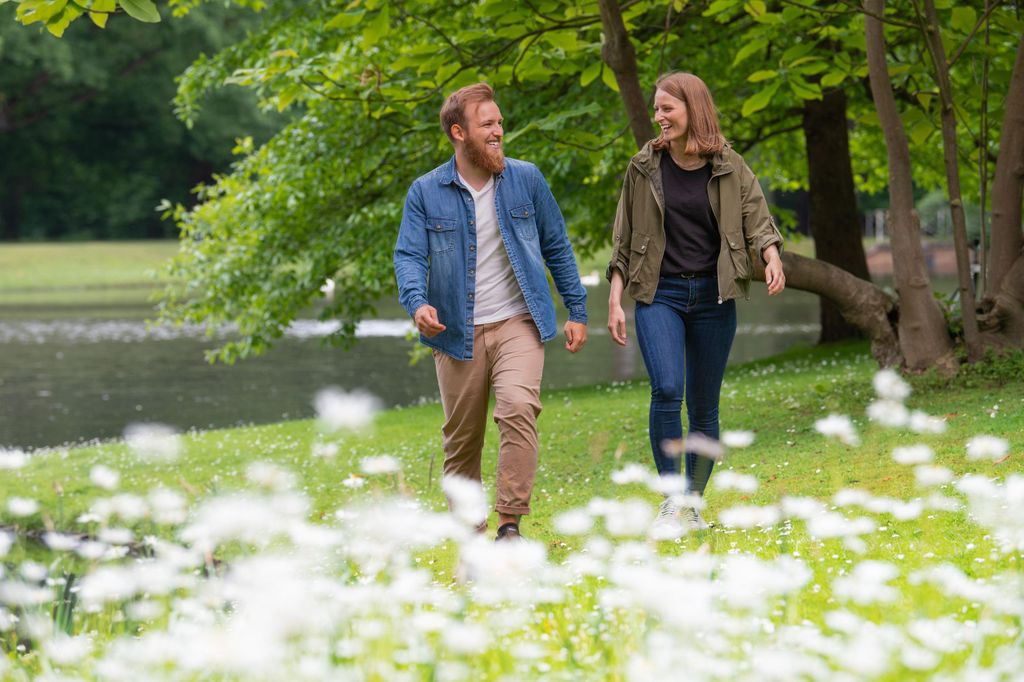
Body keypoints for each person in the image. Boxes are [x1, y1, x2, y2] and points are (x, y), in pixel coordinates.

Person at [394, 83, 588, 542]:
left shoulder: (527, 179)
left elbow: (557, 246)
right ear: (459, 133)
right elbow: (407, 255)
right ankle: (472, 533)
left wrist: (576, 308)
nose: (499, 131)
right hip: (455, 331)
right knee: (462, 443)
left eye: (500, 122)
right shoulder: (425, 191)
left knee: (519, 407)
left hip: (518, 319)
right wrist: (417, 303)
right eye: (488, 125)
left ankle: (509, 525)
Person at [606, 72, 785, 532]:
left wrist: (771, 257)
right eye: (657, 108)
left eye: (668, 108)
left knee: (704, 405)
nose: (659, 117)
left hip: (713, 294)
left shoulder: (729, 165)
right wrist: (614, 299)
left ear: (694, 109)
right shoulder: (643, 167)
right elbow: (623, 238)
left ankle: (693, 506)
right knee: (667, 389)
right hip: (659, 293)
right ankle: (671, 502)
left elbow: (756, 217)